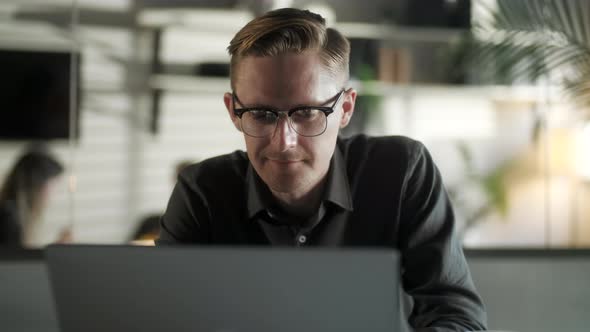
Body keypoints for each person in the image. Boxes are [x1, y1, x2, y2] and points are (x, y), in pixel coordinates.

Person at [157, 8, 486, 331]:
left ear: (345, 109)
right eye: (260, 114)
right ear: (233, 111)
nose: (283, 141)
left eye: (307, 113)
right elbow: (160, 317)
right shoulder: (201, 192)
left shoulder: (402, 172)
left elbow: (457, 317)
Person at [0, 146, 66, 247]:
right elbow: (18, 260)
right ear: (36, 185)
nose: (52, 194)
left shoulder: (13, 212)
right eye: (51, 185)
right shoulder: (8, 221)